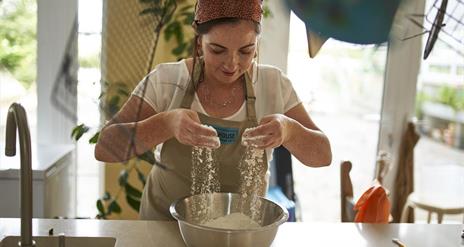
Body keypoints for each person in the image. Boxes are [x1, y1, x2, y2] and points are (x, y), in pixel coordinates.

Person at [95, 0, 332, 220]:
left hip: (240, 231)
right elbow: (105, 148)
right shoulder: (168, 80)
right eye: (217, 50)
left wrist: (288, 130)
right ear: (199, 43)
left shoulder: (273, 85)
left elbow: (323, 155)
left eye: (245, 51)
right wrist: (167, 123)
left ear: (257, 46)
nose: (232, 64)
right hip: (164, 227)